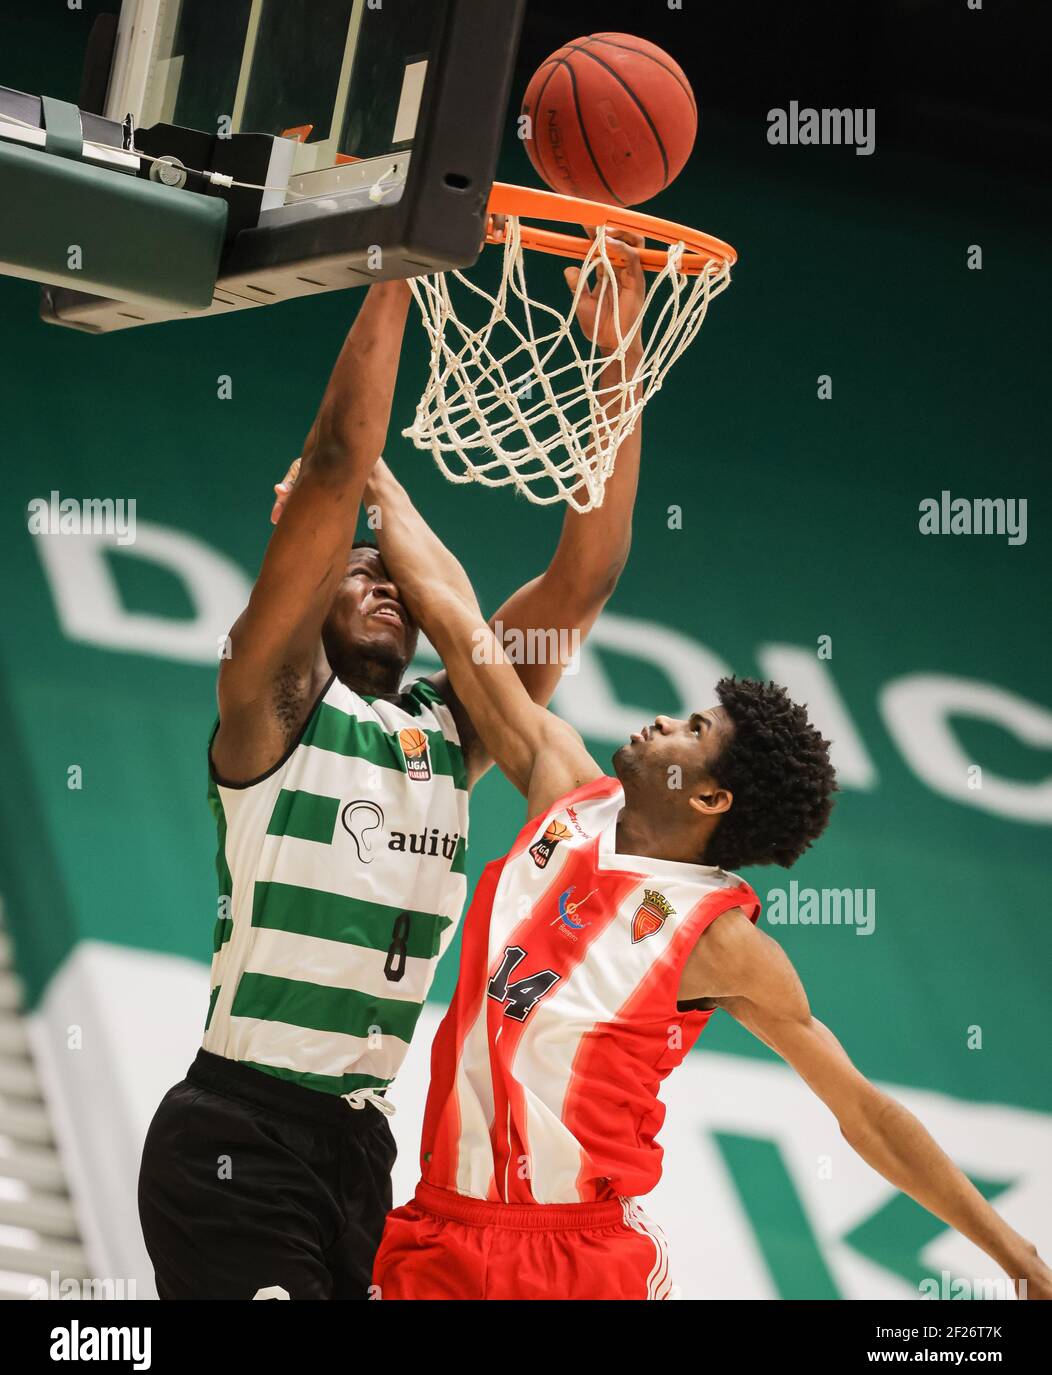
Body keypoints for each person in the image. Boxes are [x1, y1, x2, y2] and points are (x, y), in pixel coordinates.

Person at [361, 460, 1052, 1302]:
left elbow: (864, 1114)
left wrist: (1014, 1253)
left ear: (713, 795)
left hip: (578, 1263)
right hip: (438, 1231)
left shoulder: (720, 941)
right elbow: (459, 625)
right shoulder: (562, 792)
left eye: (692, 729)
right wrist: (375, 482)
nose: (660, 721)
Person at [138, 232, 652, 1300]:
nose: (381, 585)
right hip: (238, 1132)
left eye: (394, 579)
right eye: (352, 572)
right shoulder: (270, 707)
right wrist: (400, 260)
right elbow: (333, 466)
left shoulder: (446, 733)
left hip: (363, 1152)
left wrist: (615, 356)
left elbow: (586, 573)